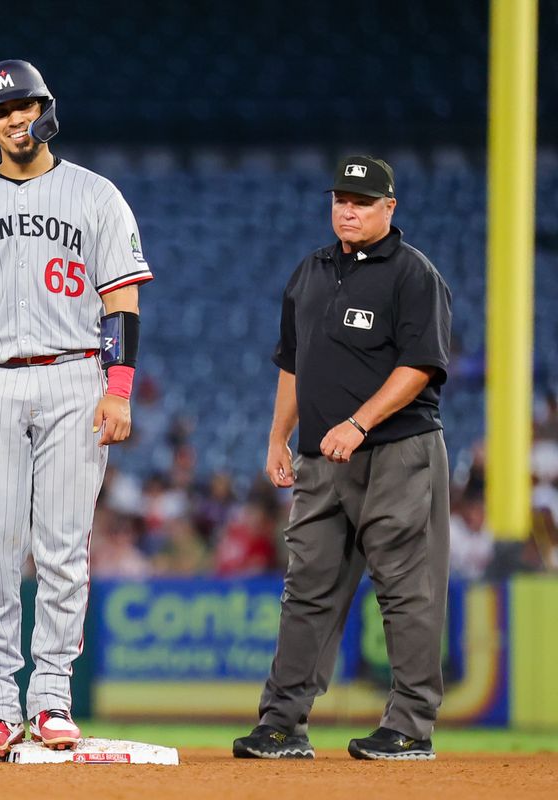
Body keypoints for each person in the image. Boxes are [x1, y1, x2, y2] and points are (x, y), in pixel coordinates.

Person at [0, 59, 152, 762]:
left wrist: (120, 388)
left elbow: (122, 300)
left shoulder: (96, 195)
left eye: (25, 105)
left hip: (74, 376)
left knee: (62, 551)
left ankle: (50, 698)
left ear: (47, 108)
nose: (15, 119)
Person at [232, 155, 453, 762]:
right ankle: (282, 724)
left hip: (396, 453)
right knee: (306, 588)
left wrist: (359, 422)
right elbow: (293, 364)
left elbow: (422, 366)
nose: (347, 210)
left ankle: (409, 725)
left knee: (406, 591)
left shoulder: (413, 274)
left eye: (361, 201)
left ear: (390, 208)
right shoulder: (310, 271)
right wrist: (278, 438)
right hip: (320, 460)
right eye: (340, 199)